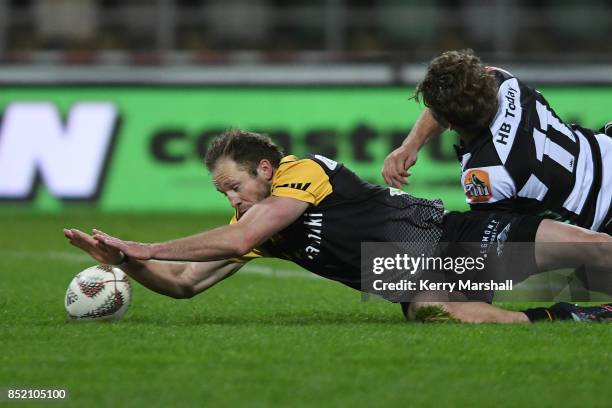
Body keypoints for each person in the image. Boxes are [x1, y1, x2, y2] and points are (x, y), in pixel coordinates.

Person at [64, 130, 612, 324]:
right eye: (223, 195)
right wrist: (129, 263)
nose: (233, 201)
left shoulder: (305, 172)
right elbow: (185, 282)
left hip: (451, 235)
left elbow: (243, 237)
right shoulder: (255, 223)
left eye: (234, 188)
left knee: (589, 251)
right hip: (410, 276)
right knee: (430, 310)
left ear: (265, 170)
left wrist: (145, 244)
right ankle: (571, 314)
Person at [382, 49, 612, 235]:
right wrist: (410, 145)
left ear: (450, 124)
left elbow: (498, 241)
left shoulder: (486, 172)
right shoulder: (503, 81)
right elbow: (453, 99)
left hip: (601, 214)